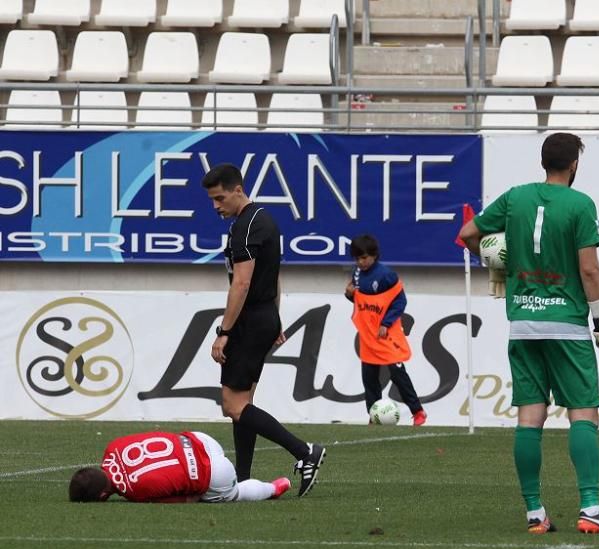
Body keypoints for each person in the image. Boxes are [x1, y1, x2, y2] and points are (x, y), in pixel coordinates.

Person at [458, 132, 599, 535]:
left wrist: (495, 265)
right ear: (574, 164)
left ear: (543, 162)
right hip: (567, 324)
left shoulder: (514, 197)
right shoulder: (580, 204)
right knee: (584, 413)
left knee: (529, 417)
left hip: (522, 322)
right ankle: (591, 507)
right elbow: (590, 270)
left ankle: (535, 513)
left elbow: (470, 233)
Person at [203, 163, 326, 497]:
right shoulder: (262, 219)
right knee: (243, 403)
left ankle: (305, 452)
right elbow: (274, 276)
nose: (216, 206)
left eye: (220, 198)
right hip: (263, 316)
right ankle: (242, 480)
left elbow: (241, 284)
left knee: (232, 404)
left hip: (250, 320)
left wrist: (224, 331)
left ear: (237, 189)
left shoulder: (245, 226)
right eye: (212, 200)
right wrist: (275, 318)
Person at [68, 430, 290, 503]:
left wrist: (196, 495)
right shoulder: (113, 447)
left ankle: (273, 488)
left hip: (215, 473)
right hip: (198, 439)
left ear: (103, 496)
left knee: (236, 494)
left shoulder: (135, 491)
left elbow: (184, 499)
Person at [344, 233, 427, 426]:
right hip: (368, 334)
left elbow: (400, 300)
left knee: (398, 373)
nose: (361, 262)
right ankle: (374, 415)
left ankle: (418, 411)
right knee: (369, 377)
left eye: (364, 258)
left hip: (386, 333)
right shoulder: (356, 274)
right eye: (357, 259)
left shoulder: (386, 275)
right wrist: (349, 294)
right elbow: (360, 301)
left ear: (374, 255)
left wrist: (386, 323)